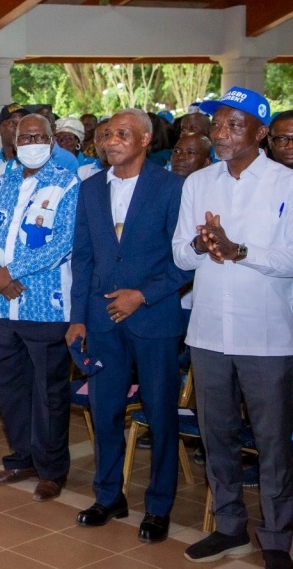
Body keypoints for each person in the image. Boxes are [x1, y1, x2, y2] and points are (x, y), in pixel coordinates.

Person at [173, 87, 293, 568]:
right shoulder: (198, 182)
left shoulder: (285, 183)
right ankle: (229, 528)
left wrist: (238, 250)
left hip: (266, 335)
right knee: (216, 435)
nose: (220, 133)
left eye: (233, 125)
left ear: (260, 133)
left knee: (271, 441)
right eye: (217, 124)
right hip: (208, 332)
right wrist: (202, 245)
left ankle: (277, 538)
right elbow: (180, 255)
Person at [68, 109, 190, 543]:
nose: (111, 141)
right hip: (102, 320)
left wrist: (141, 295)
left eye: (122, 133)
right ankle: (108, 496)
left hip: (153, 318)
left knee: (160, 414)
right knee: (105, 412)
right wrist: (77, 317)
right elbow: (83, 256)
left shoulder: (172, 187)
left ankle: (158, 506)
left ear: (144, 140)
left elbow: (185, 259)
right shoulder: (90, 188)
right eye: (106, 135)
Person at [0, 113, 79, 502]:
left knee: (48, 393)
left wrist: (9, 271)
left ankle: (51, 469)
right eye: (24, 137)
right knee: (10, 387)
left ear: (51, 141)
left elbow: (64, 242)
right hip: (3, 307)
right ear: (13, 143)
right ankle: (22, 458)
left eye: (38, 136)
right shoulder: (3, 181)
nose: (31, 143)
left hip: (45, 306)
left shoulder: (68, 184)